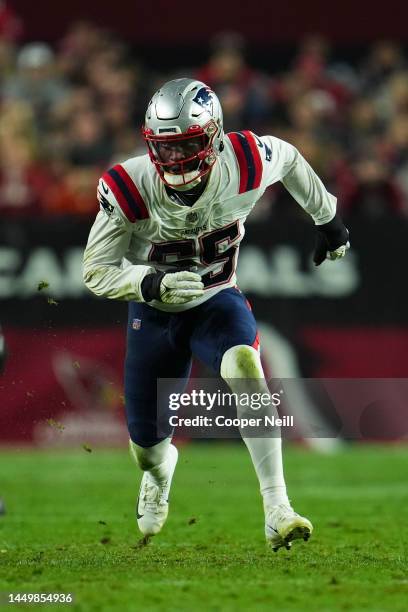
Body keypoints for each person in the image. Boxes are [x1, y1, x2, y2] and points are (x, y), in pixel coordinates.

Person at [83, 78, 349, 551]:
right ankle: (160, 474)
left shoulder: (243, 162)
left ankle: (277, 509)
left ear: (214, 137)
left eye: (186, 145)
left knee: (247, 367)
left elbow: (286, 157)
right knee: (146, 450)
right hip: (155, 313)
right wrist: (145, 281)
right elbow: (96, 270)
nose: (175, 159)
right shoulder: (130, 185)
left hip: (216, 299)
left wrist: (327, 218)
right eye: (165, 150)